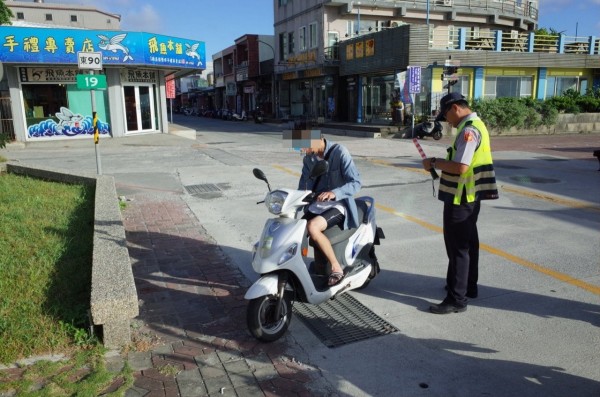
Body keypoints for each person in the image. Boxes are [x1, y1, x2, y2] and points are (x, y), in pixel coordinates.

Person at [422, 92, 499, 314]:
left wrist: (433, 162)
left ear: (455, 108)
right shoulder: (477, 124)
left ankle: (457, 299)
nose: (446, 121)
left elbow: (461, 167)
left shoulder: (468, 130)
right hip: (471, 196)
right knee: (468, 244)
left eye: (446, 115)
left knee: (458, 248)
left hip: (461, 197)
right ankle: (467, 287)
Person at [298, 135, 362, 286]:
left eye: (304, 145)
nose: (302, 150)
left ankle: (336, 268)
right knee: (294, 229)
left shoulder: (340, 152)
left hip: (339, 204)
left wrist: (335, 193)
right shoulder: (308, 158)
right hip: (318, 204)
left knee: (312, 227)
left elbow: (356, 182)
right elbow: (303, 185)